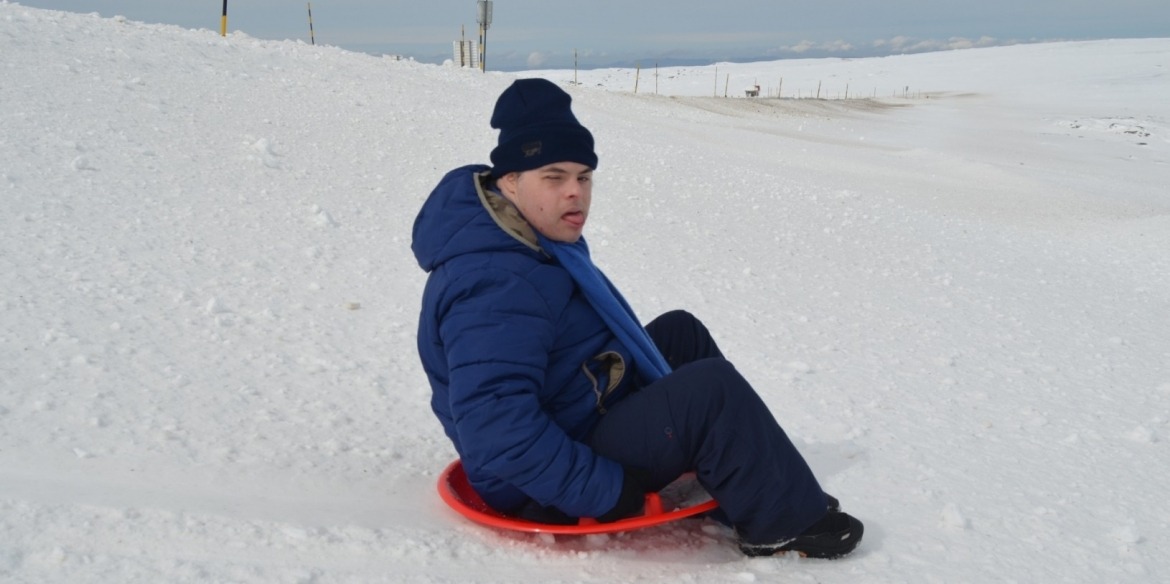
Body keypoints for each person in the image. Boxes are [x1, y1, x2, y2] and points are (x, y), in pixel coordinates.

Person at [412, 78, 863, 558]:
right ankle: (782, 520)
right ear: (510, 181)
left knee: (679, 334)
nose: (575, 194)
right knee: (710, 391)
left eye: (583, 177)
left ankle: (745, 482)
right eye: (554, 176)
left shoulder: (525, 240)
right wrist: (604, 490)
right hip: (536, 485)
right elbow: (496, 428)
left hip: (574, 408)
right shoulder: (497, 283)